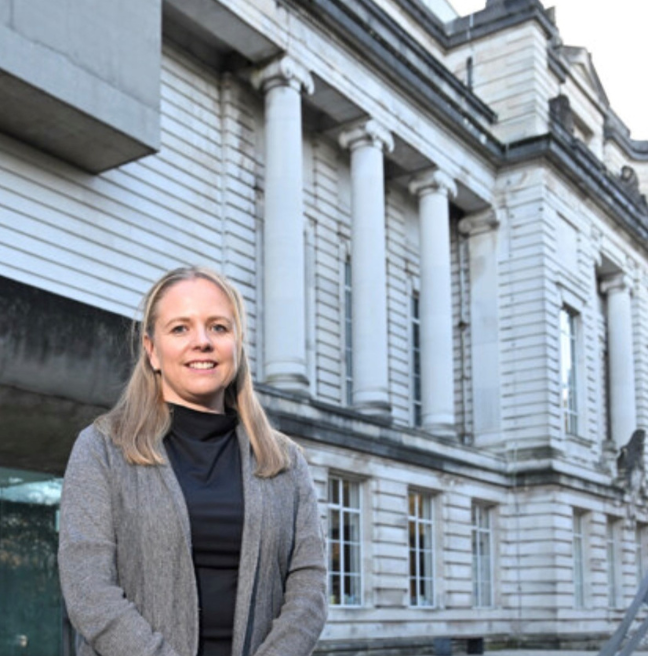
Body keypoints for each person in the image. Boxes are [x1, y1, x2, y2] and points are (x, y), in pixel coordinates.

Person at [58, 266, 328, 656]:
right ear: (151, 350)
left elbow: (310, 586)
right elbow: (89, 589)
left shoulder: (284, 461)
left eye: (218, 327)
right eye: (180, 328)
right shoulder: (102, 449)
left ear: (237, 344)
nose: (202, 342)